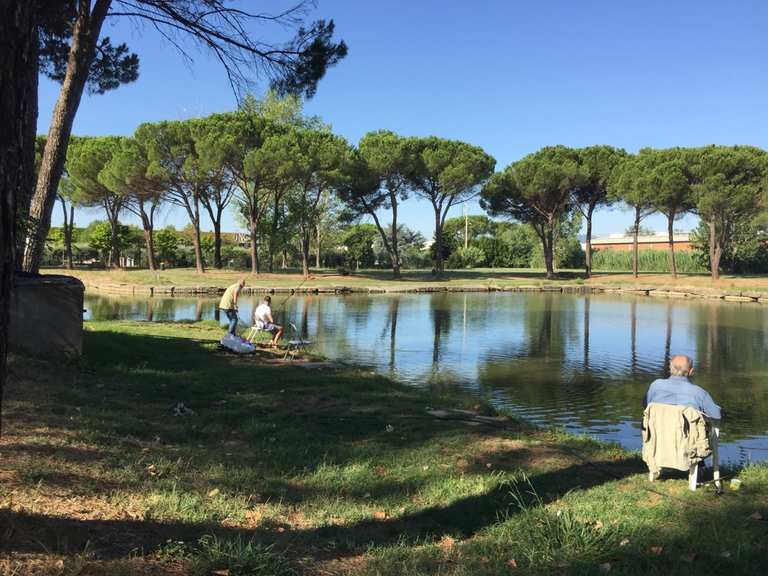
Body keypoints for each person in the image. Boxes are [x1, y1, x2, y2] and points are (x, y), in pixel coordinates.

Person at [644, 354, 722, 420]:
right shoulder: (699, 393)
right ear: (691, 371)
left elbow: (646, 405)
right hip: (688, 437)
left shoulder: (655, 386)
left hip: (658, 436)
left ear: (670, 369)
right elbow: (716, 416)